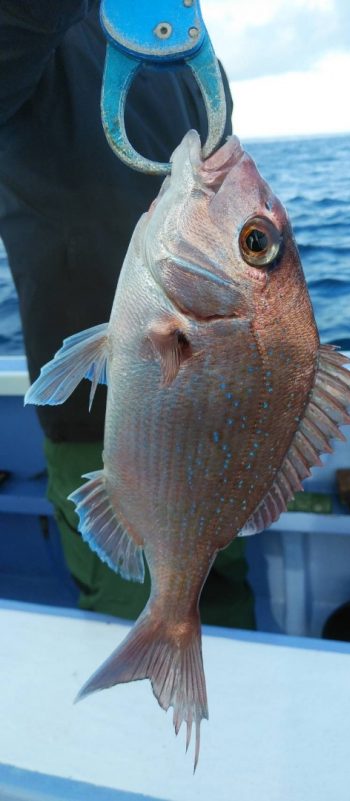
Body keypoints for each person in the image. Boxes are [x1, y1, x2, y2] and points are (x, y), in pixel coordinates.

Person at [0, 1, 255, 628]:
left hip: (229, 431)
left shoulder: (181, 35)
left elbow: (223, 173)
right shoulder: (33, 27)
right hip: (97, 420)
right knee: (133, 625)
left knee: (226, 614)